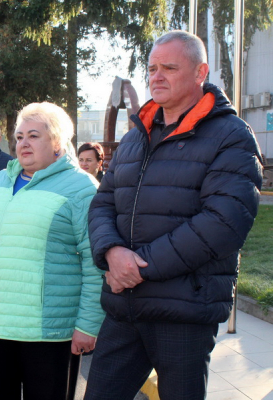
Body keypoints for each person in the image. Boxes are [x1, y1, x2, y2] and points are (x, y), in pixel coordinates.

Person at [84, 31, 263, 400]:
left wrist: (136, 268)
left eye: (169, 67)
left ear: (201, 72)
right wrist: (112, 254)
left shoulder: (231, 135)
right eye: (151, 68)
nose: (156, 76)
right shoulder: (136, 136)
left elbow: (223, 224)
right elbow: (103, 203)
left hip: (184, 310)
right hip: (124, 307)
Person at [0, 102, 105, 399]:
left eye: (34, 135)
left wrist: (88, 325)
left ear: (57, 142)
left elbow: (95, 263)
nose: (24, 143)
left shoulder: (81, 188)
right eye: (20, 135)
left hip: (48, 334)